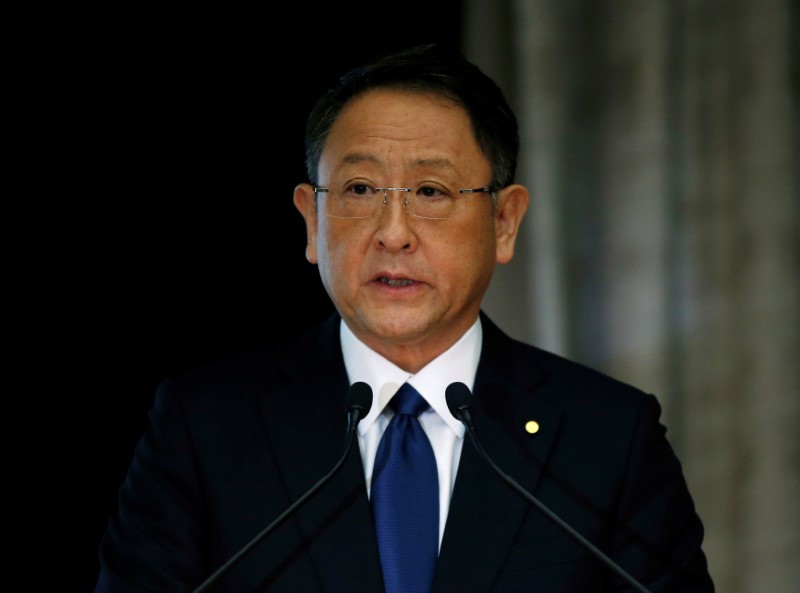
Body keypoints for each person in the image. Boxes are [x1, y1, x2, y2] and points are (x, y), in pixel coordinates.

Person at [94, 43, 715, 592]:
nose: (393, 234)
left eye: (431, 192)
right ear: (312, 221)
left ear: (504, 223)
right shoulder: (204, 429)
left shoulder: (608, 439)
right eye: (361, 190)